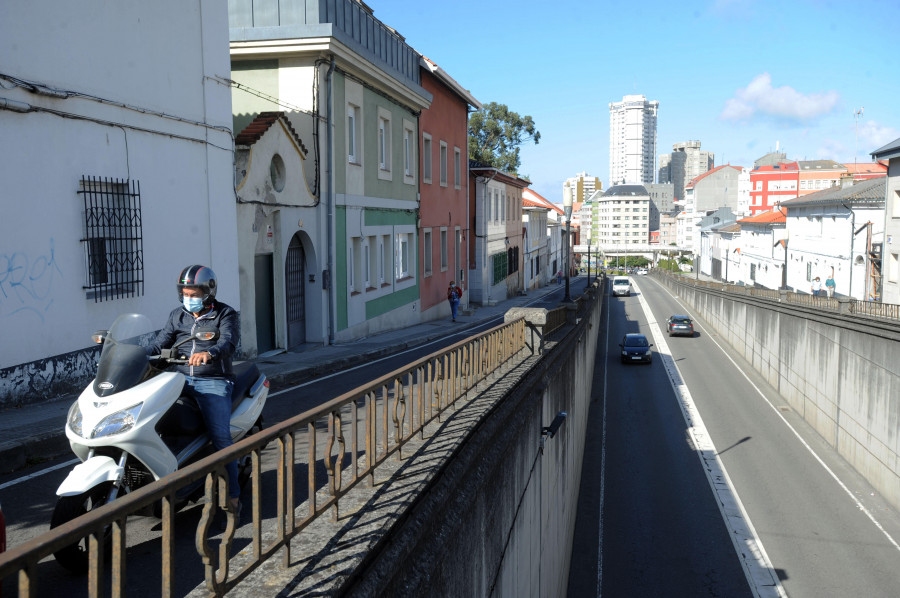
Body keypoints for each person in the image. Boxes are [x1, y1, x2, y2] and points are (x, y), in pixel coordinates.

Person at [147, 265, 241, 515]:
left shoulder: (225, 314)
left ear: (208, 291)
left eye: (194, 293)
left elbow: (228, 342)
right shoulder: (177, 315)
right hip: (177, 380)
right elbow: (159, 344)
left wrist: (209, 353)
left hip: (213, 380)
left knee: (221, 438)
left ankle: (233, 496)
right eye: (185, 293)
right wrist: (143, 356)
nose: (189, 298)